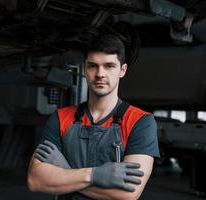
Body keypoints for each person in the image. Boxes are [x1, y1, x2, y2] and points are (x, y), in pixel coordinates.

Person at [27, 33, 160, 200]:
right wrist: (94, 175)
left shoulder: (140, 122)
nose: (100, 74)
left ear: (122, 70)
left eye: (109, 66)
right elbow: (35, 180)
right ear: (84, 68)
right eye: (93, 66)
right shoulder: (60, 118)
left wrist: (66, 172)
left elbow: (127, 194)